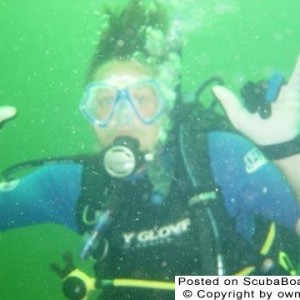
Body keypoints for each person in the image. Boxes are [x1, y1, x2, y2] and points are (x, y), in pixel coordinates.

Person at [1, 1, 300, 299]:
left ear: (166, 107)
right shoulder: (75, 185)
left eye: (141, 99)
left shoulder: (219, 157)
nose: (122, 117)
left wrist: (286, 152)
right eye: (105, 102)